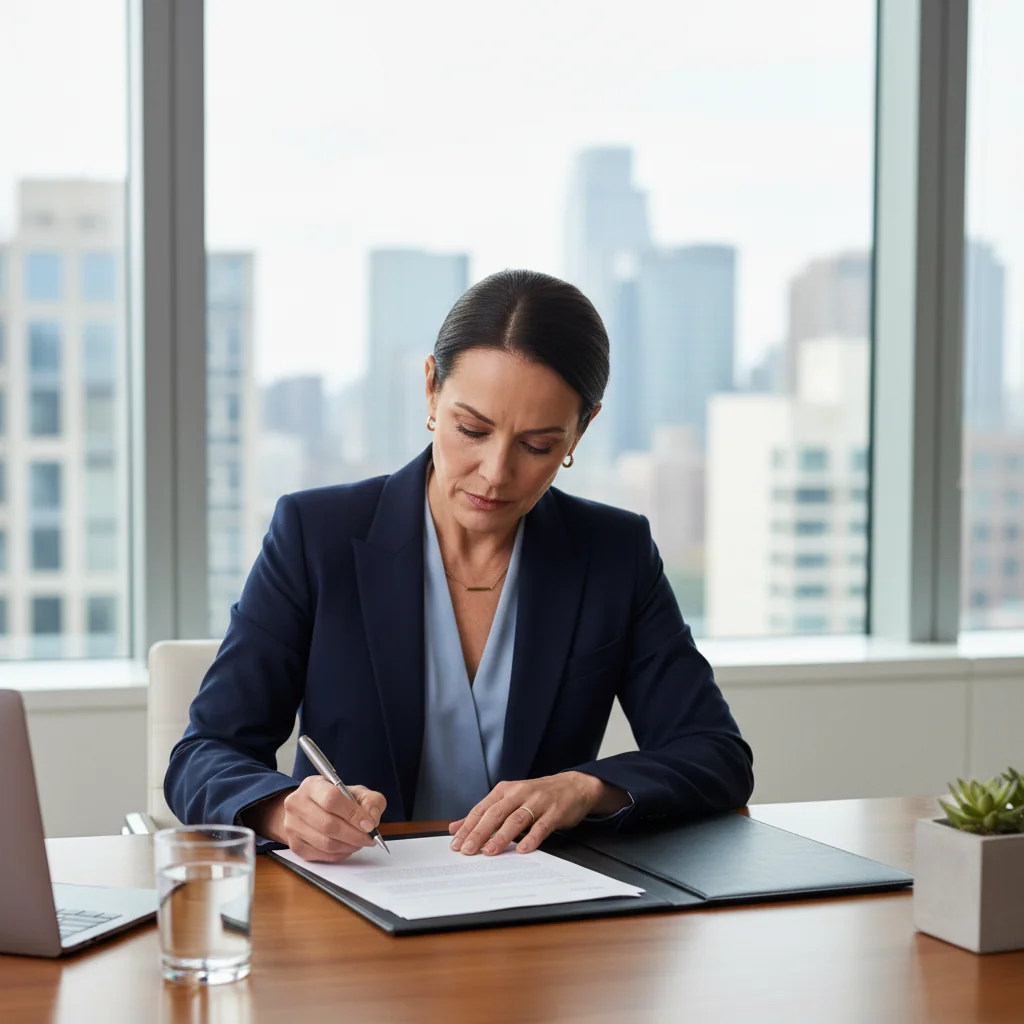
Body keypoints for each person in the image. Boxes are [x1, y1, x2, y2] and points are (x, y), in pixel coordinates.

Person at [165, 269, 754, 862]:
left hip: (539, 912)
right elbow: (204, 753)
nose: (496, 472)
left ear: (584, 428)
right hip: (357, 901)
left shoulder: (613, 554)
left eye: (537, 445)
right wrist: (282, 810)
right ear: (431, 390)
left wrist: (585, 788)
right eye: (471, 429)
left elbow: (715, 753)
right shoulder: (315, 535)